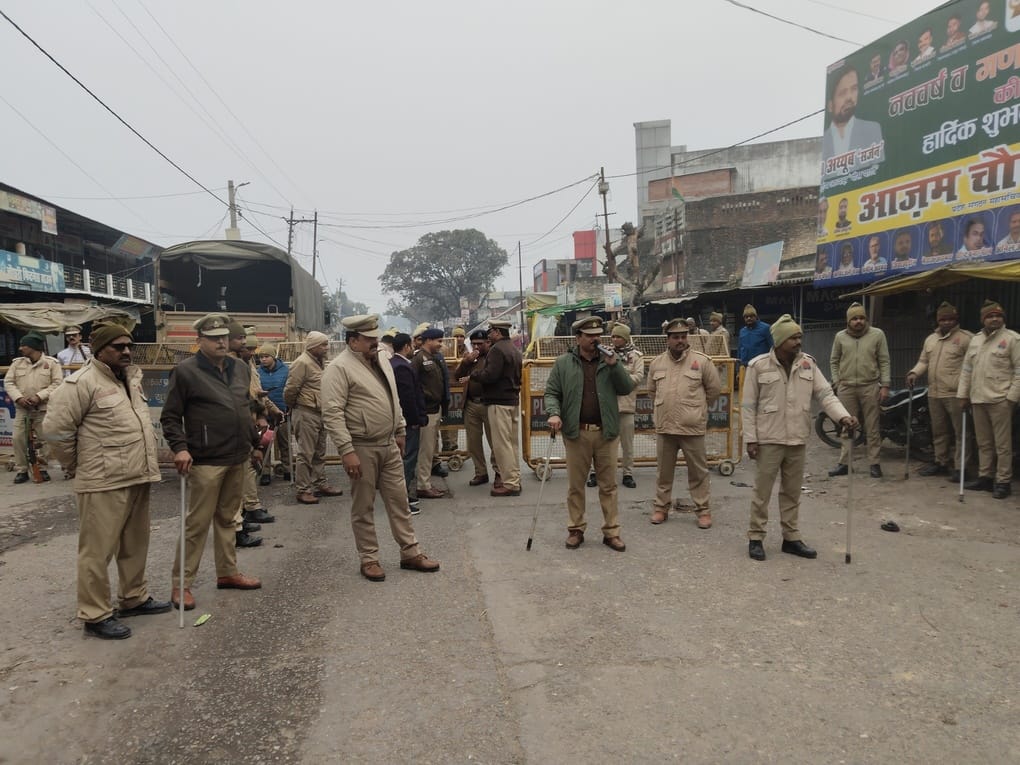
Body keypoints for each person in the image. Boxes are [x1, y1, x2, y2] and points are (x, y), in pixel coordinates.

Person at [44, 321, 171, 639]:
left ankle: (134, 598)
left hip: (138, 475)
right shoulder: (81, 383)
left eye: (128, 346)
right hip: (102, 481)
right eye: (118, 346)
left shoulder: (130, 379)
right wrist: (78, 465)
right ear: (99, 349)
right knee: (97, 552)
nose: (126, 351)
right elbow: (56, 431)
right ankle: (95, 614)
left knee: (135, 544)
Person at [321, 315, 440, 581]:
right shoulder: (338, 368)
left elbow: (393, 398)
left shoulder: (382, 360)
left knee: (399, 501)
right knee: (363, 506)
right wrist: (346, 450)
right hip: (361, 447)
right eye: (368, 339)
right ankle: (369, 558)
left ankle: (410, 552)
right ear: (353, 341)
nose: (375, 342)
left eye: (376, 337)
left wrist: (399, 429)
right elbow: (332, 413)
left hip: (388, 444)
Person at [161, 313, 262, 611]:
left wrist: (254, 444)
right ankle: (182, 584)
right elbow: (170, 417)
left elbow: (244, 408)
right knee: (197, 523)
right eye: (213, 338)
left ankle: (228, 572)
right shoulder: (186, 372)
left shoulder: (240, 368)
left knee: (229, 519)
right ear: (199, 341)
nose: (220, 342)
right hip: (206, 460)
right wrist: (180, 448)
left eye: (223, 337)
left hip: (237, 456)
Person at [743, 315, 855, 562]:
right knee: (762, 492)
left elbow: (825, 395)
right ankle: (756, 537)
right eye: (793, 337)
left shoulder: (808, 365)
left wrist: (843, 417)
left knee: (792, 492)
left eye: (799, 336)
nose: (798, 341)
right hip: (769, 439)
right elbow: (748, 406)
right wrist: (751, 439)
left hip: (797, 438)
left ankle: (791, 538)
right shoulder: (758, 366)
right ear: (780, 340)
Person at [544, 316, 635, 552]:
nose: (595, 339)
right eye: (589, 335)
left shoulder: (609, 361)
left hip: (606, 433)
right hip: (577, 433)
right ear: (578, 338)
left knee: (608, 486)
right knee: (576, 486)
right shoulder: (564, 363)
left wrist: (615, 365)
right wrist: (554, 413)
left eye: (598, 335)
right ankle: (576, 529)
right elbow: (552, 392)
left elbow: (626, 388)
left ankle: (612, 531)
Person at [647, 318, 721, 529]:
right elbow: (652, 391)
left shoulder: (702, 361)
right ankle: (661, 508)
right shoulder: (657, 363)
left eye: (683, 336)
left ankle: (703, 511)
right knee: (663, 471)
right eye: (676, 337)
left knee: (698, 472)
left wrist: (696, 409)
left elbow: (713, 390)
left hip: (692, 428)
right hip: (665, 427)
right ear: (668, 339)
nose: (680, 340)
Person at [957, 300, 1020, 499]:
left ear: (1003, 318)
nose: (994, 319)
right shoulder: (975, 340)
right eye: (990, 316)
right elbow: (967, 370)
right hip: (977, 398)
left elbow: (1019, 371)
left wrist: (1011, 398)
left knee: (1002, 444)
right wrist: (962, 395)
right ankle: (986, 476)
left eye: (998, 315)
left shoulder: (1013, 339)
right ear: (983, 319)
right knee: (984, 442)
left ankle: (1003, 481)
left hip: (1000, 399)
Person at [906, 302, 974, 481]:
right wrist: (914, 372)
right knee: (939, 431)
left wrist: (966, 392)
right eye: (943, 319)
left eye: (950, 319)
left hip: (956, 394)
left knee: (961, 432)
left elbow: (973, 367)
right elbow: (923, 361)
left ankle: (961, 468)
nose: (946, 322)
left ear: (956, 319)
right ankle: (941, 461)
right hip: (934, 393)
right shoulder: (931, 339)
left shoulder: (966, 338)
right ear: (938, 320)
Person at [828, 303, 891, 479]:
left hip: (870, 386)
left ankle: (874, 464)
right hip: (846, 387)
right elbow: (834, 360)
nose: (858, 321)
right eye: (854, 318)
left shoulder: (877, 335)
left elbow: (884, 360)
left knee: (872, 427)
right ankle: (844, 464)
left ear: (866, 319)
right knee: (847, 427)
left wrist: (885, 385)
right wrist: (836, 382)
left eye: (861, 318)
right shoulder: (840, 337)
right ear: (848, 321)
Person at [284, 331, 343, 505]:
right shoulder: (302, 363)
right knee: (306, 453)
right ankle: (303, 489)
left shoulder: (319, 362)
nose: (326, 348)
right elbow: (290, 389)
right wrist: (296, 406)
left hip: (319, 412)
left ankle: (320, 483)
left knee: (319, 452)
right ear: (313, 346)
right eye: (323, 345)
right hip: (306, 412)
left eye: (326, 344)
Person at [470, 319, 523, 497]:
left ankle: (510, 483)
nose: (489, 334)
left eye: (490, 331)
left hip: (498, 401)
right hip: (512, 399)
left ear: (498, 332)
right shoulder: (514, 349)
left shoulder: (497, 350)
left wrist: (474, 375)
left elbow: (490, 375)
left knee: (502, 445)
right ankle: (515, 478)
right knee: (512, 443)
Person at [4, 331, 62, 484]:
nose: (20, 348)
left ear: (33, 347)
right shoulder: (17, 363)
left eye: (24, 345)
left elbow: (57, 384)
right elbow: (9, 382)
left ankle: (41, 469)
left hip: (43, 409)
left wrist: (39, 396)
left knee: (44, 441)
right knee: (18, 439)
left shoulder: (52, 364)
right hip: (22, 409)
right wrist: (19, 398)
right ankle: (22, 470)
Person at [455, 329, 499, 488]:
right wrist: (465, 362)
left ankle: (499, 472)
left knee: (495, 442)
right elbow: (457, 377)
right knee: (473, 442)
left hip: (489, 403)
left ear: (488, 343)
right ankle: (480, 472)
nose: (476, 347)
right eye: (473, 344)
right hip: (471, 403)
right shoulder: (470, 358)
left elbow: (492, 377)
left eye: (479, 344)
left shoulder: (494, 357)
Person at [391, 333, 428, 512]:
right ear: (406, 346)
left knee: (407, 458)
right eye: (411, 345)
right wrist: (414, 420)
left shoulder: (395, 364)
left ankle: (405, 494)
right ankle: (402, 499)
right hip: (407, 421)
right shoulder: (402, 367)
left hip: (403, 420)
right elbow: (407, 398)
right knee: (407, 459)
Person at [822, 66, 884, 166]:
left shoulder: (872, 130)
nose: (849, 97)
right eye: (842, 93)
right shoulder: (824, 144)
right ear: (830, 105)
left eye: (854, 89)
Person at [412, 328, 448, 499]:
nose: (441, 344)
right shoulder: (418, 359)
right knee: (425, 451)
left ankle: (425, 483)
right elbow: (414, 385)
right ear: (428, 341)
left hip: (435, 409)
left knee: (430, 448)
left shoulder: (433, 358)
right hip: (426, 410)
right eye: (438, 341)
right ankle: (423, 486)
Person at [608, 322, 643, 489]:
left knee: (627, 444)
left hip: (627, 404)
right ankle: (600, 472)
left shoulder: (636, 356)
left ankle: (628, 473)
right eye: (613, 336)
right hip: (609, 405)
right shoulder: (606, 354)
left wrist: (623, 381)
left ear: (625, 338)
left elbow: (639, 375)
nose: (615, 339)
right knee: (605, 443)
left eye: (618, 337)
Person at [256, 343, 291, 481]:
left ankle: (288, 469)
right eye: (261, 357)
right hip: (265, 412)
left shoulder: (285, 371)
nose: (263, 359)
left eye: (266, 356)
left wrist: (288, 406)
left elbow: (289, 388)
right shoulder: (258, 373)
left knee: (284, 442)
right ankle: (265, 471)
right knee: (264, 442)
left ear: (273, 357)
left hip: (282, 411)